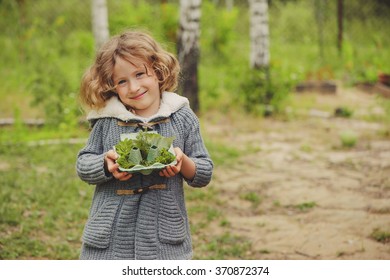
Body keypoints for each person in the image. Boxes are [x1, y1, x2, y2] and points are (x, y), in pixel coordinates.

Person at [76, 30, 213, 260]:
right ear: (112, 86)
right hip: (109, 243)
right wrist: (105, 165)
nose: (133, 87)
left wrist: (183, 163)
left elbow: (204, 171)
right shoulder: (107, 120)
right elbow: (83, 164)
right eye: (122, 81)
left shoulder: (182, 117)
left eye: (140, 74)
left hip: (164, 244)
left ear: (158, 72)